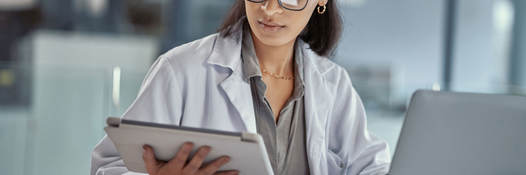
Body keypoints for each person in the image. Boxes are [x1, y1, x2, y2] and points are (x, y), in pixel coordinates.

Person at [91, 0, 390, 174]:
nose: (270, 9)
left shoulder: (333, 84)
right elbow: (108, 167)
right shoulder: (181, 70)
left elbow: (372, 166)